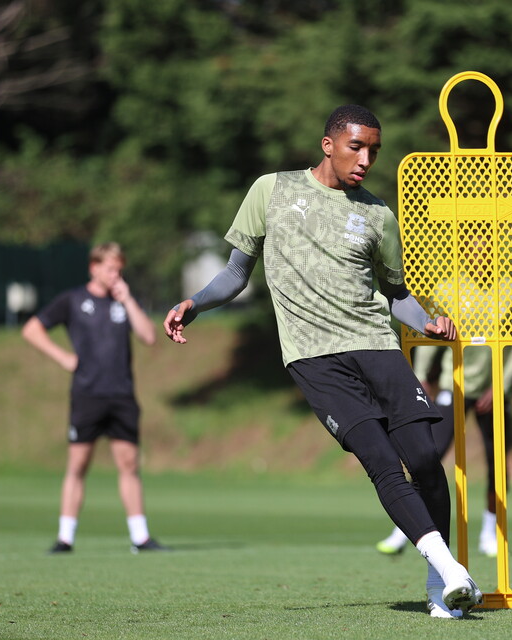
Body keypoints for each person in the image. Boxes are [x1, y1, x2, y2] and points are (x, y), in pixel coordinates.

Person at [163, 104, 483, 619]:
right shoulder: (271, 190)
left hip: (376, 344)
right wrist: (194, 303)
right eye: (357, 147)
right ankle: (450, 574)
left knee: (424, 458)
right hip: (314, 358)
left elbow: (397, 294)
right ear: (328, 145)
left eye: (374, 151)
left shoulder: (379, 215)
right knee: (380, 460)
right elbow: (235, 274)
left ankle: (437, 578)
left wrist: (426, 321)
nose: (366, 160)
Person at [22, 242, 168, 554]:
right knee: (78, 464)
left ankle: (140, 537)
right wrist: (63, 357)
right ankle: (65, 538)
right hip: (88, 394)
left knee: (129, 463)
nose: (116, 275)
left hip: (122, 395)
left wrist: (128, 299)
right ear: (94, 268)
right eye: (111, 269)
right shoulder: (73, 300)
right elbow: (32, 329)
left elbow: (149, 336)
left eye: (120, 270)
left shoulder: (123, 302)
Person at [376, 344, 512, 558]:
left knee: (498, 465)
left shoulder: (508, 315)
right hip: (453, 385)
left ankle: (490, 534)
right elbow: (431, 334)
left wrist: (501, 385)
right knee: (427, 457)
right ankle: (404, 529)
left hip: (493, 389)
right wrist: (421, 375)